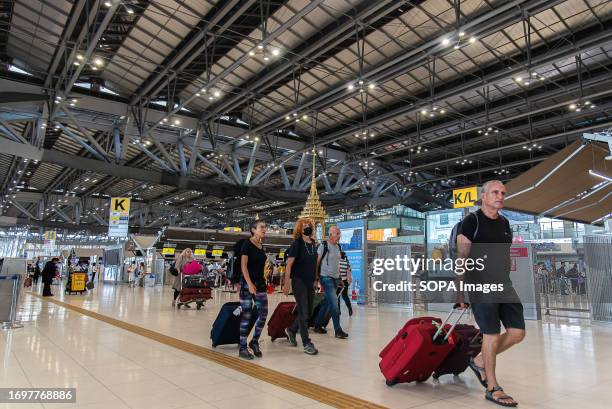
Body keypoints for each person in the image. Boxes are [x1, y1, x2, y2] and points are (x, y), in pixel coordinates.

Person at [456, 180, 525, 407]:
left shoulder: (505, 223)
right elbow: (461, 259)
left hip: (503, 284)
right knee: (491, 335)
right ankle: (492, 386)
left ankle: (478, 360)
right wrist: (460, 293)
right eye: (495, 192)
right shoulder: (471, 221)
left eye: (503, 193)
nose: (500, 196)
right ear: (483, 197)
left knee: (517, 333)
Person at [283, 218, 319, 355]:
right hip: (298, 281)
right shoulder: (296, 244)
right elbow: (289, 265)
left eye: (309, 225)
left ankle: (291, 330)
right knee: (304, 311)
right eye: (304, 226)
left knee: (309, 312)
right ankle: (306, 343)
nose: (307, 227)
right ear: (299, 229)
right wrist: (286, 283)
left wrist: (316, 278)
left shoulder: (313, 243)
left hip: (310, 281)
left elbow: (314, 263)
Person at [238, 220, 269, 360]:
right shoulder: (247, 244)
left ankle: (254, 341)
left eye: (265, 227)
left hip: (260, 284)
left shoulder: (261, 245)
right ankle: (243, 347)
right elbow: (243, 266)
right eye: (261, 227)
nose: (264, 229)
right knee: (247, 315)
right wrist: (249, 283)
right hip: (247, 285)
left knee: (263, 314)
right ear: (253, 229)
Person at [313, 226, 349, 338]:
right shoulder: (323, 246)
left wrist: (340, 279)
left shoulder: (338, 246)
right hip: (325, 277)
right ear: (331, 234)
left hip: (335, 278)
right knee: (334, 304)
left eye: (340, 233)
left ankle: (317, 325)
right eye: (337, 233)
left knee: (327, 303)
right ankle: (338, 330)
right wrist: (316, 278)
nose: (339, 236)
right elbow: (317, 262)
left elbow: (337, 264)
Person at [337, 251, 353, 316]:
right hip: (345, 281)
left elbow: (337, 272)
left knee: (337, 297)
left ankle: (338, 311)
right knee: (345, 296)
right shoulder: (347, 263)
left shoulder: (337, 262)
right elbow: (349, 272)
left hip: (338, 282)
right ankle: (350, 308)